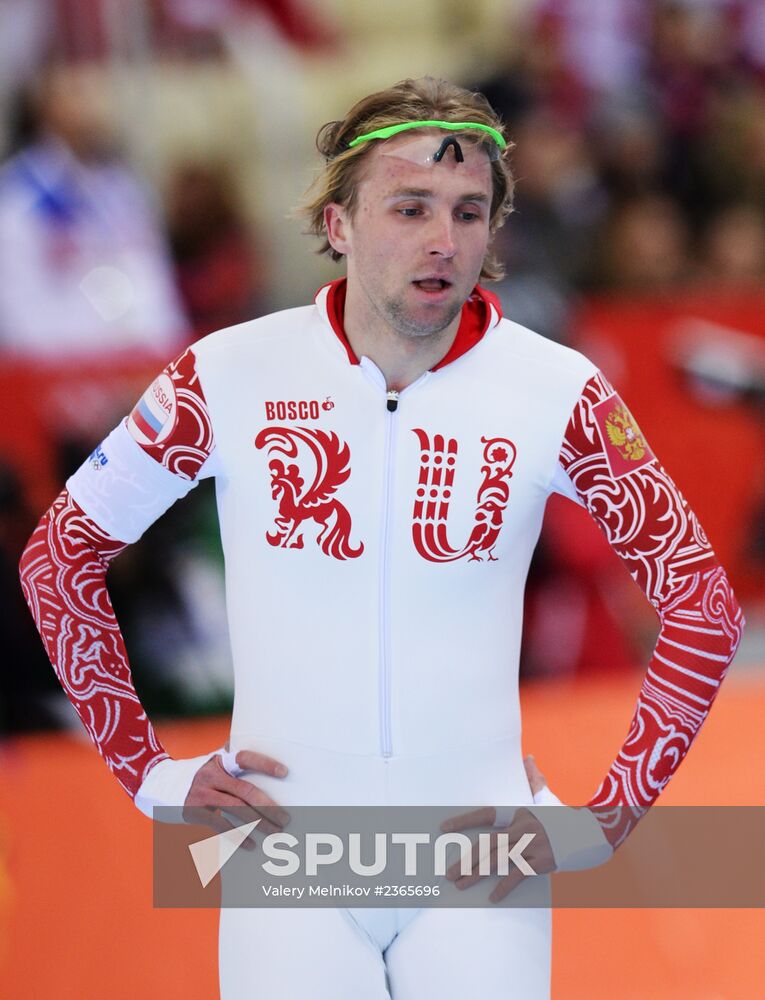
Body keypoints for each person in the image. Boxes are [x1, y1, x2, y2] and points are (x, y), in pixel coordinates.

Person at [19, 77, 744, 998]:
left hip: (477, 862)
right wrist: (150, 774)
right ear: (338, 225)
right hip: (284, 855)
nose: (443, 240)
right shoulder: (227, 373)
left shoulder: (557, 390)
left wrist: (600, 820)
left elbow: (702, 606)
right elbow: (59, 556)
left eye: (469, 212)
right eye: (409, 208)